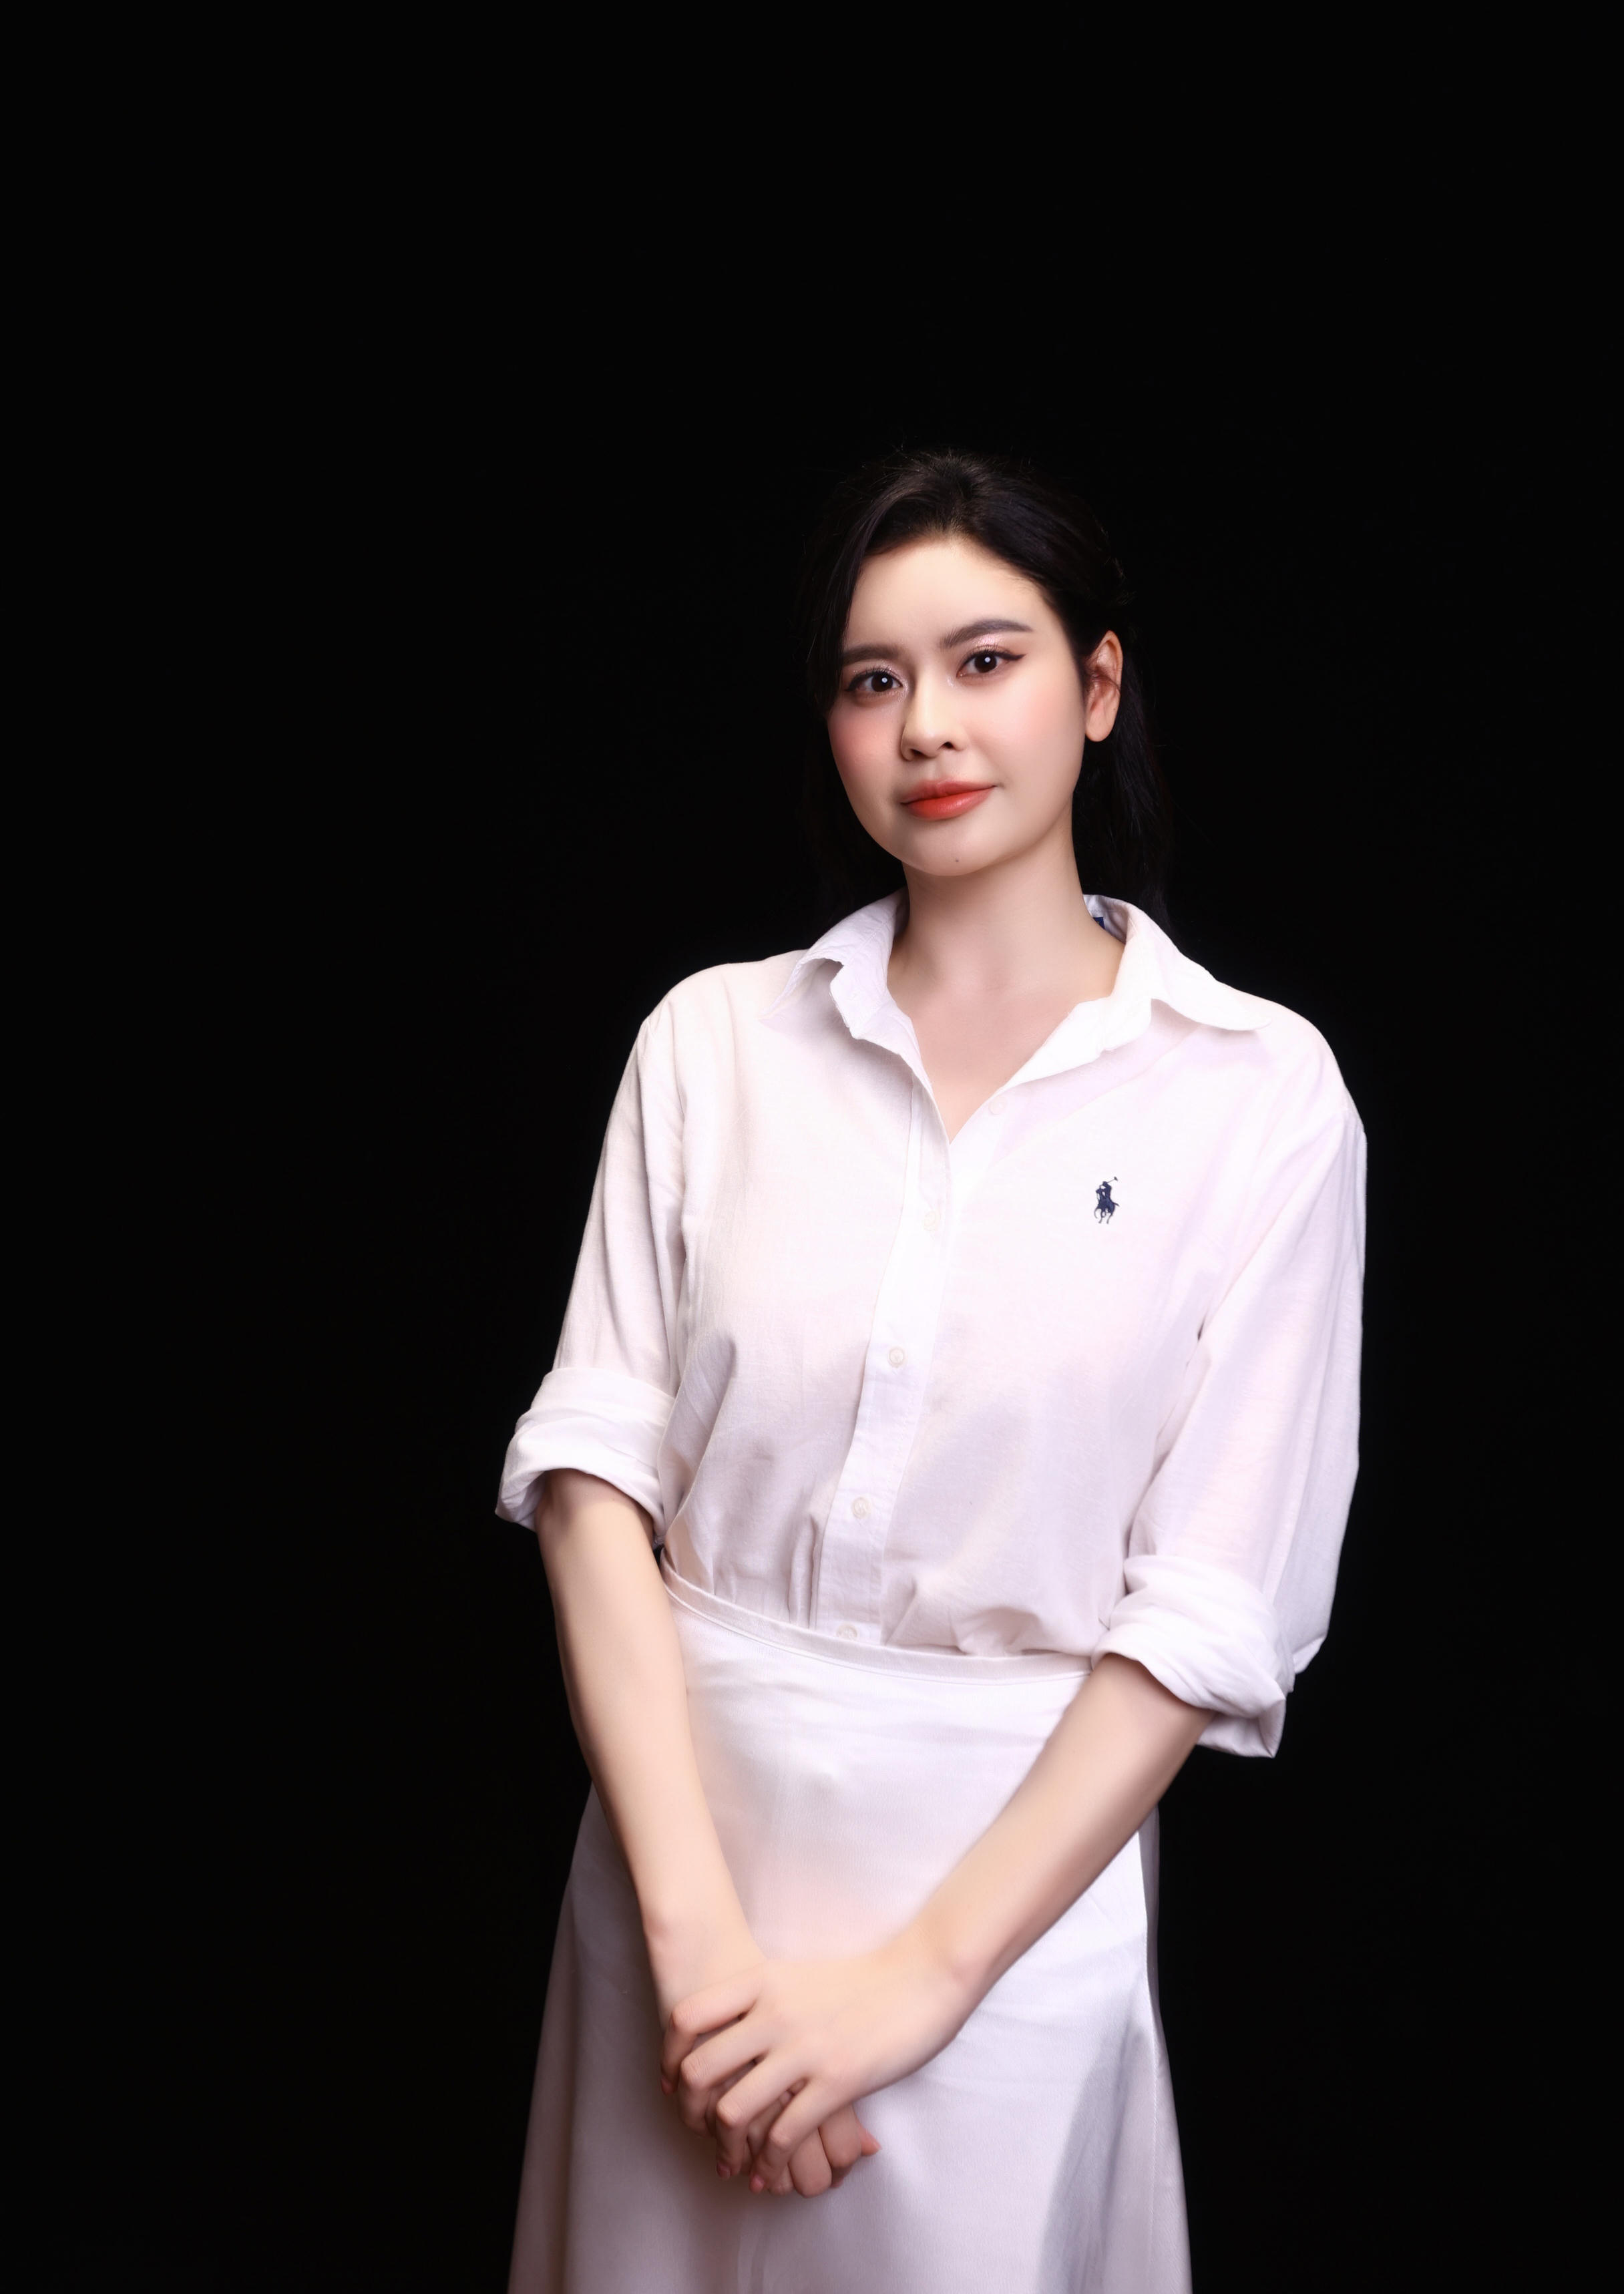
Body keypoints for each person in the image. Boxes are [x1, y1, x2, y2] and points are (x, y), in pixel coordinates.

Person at [497, 450, 1366, 2292]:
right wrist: (699, 1960)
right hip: (679, 1872)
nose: (927, 728)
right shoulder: (714, 1043)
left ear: (1098, 686)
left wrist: (915, 1985)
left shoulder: (1259, 1096)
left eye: (987, 661)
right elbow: (590, 1484)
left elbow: (1210, 1605)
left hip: (1007, 1917)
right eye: (872, 679)